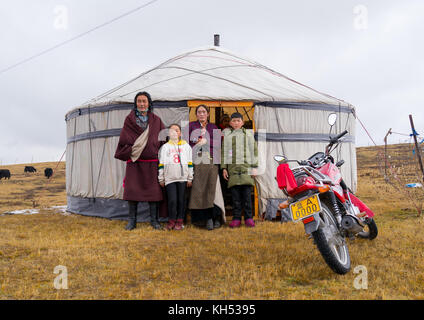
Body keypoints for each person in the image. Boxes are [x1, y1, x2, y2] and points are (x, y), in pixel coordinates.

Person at [114, 91, 166, 230]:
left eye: (144, 101)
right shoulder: (129, 120)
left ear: (149, 103)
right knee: (132, 191)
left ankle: (154, 221)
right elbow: (125, 139)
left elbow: (162, 138)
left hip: (152, 163)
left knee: (154, 192)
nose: (142, 104)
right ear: (135, 103)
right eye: (139, 101)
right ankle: (132, 221)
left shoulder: (156, 120)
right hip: (135, 162)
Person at [188, 105, 225, 230]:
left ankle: (215, 218)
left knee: (212, 190)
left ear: (208, 114)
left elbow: (219, 143)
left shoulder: (214, 127)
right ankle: (203, 219)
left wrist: (206, 141)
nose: (201, 114)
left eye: (204, 112)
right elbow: (187, 142)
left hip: (211, 162)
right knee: (199, 190)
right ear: (196, 114)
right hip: (197, 162)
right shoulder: (191, 126)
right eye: (199, 112)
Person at [221, 112, 258, 228]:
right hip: (233, 170)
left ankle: (248, 218)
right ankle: (236, 218)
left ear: (242, 122)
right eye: (234, 121)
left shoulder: (248, 135)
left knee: (247, 197)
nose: (236, 123)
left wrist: (255, 167)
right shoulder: (227, 136)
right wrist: (224, 168)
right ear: (230, 123)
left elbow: (254, 151)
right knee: (235, 198)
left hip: (246, 170)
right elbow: (224, 153)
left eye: (238, 120)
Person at [158, 124, 193, 231]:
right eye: (172, 131)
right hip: (170, 178)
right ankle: (171, 220)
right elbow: (161, 163)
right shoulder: (165, 147)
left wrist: (190, 177)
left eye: (177, 130)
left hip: (182, 178)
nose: (174, 132)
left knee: (181, 200)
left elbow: (190, 163)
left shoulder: (186, 146)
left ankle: (180, 221)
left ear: (180, 133)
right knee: (172, 200)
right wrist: (161, 178)